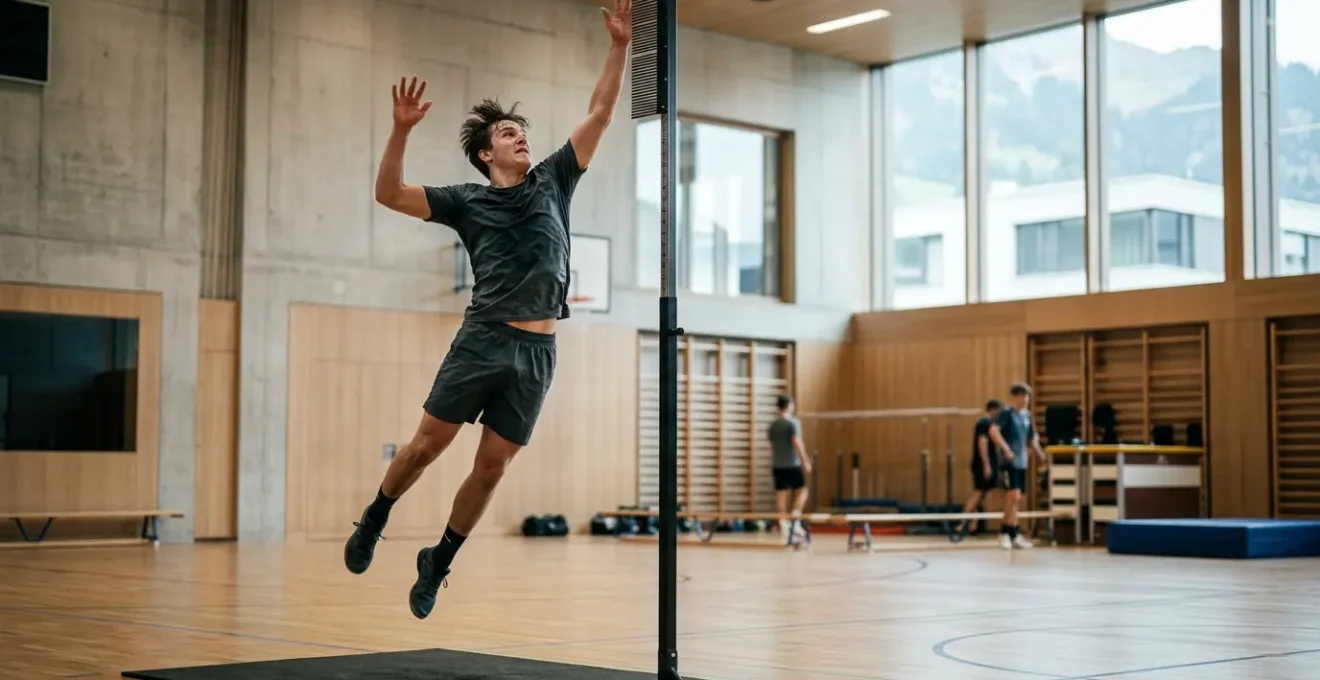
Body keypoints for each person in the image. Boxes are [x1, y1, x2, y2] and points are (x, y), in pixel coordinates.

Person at [342, 0, 633, 620]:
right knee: (426, 447)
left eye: (520, 130)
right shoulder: (467, 201)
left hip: (539, 350)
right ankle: (374, 518)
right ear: (484, 155)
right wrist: (401, 129)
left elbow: (601, 112)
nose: (519, 136)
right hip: (483, 338)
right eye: (506, 133)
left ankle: (438, 561)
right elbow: (388, 193)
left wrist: (618, 45)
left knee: (493, 467)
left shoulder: (555, 177)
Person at [989, 382, 1046, 550]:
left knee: (1017, 497)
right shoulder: (1007, 414)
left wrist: (1040, 453)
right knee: (1011, 495)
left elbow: (1032, 437)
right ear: (1014, 397)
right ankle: (1005, 533)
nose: (1025, 399)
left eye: (1027, 396)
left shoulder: (1027, 416)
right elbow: (994, 431)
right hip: (1010, 460)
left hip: (1022, 461)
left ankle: (1014, 533)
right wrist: (1006, 449)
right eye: (1021, 396)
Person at [767, 395, 812, 543]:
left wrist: (774, 461)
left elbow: (773, 447)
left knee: (781, 496)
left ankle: (783, 524)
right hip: (792, 464)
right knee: (802, 491)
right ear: (789, 406)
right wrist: (804, 460)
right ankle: (795, 517)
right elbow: (796, 442)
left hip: (778, 465)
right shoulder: (792, 423)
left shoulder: (773, 426)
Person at [955, 399, 1003, 537]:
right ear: (993, 410)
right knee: (979, 492)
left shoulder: (990, 424)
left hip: (985, 464)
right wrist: (986, 464)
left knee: (981, 494)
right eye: (998, 412)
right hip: (982, 464)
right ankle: (963, 522)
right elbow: (982, 442)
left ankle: (972, 524)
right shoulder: (985, 423)